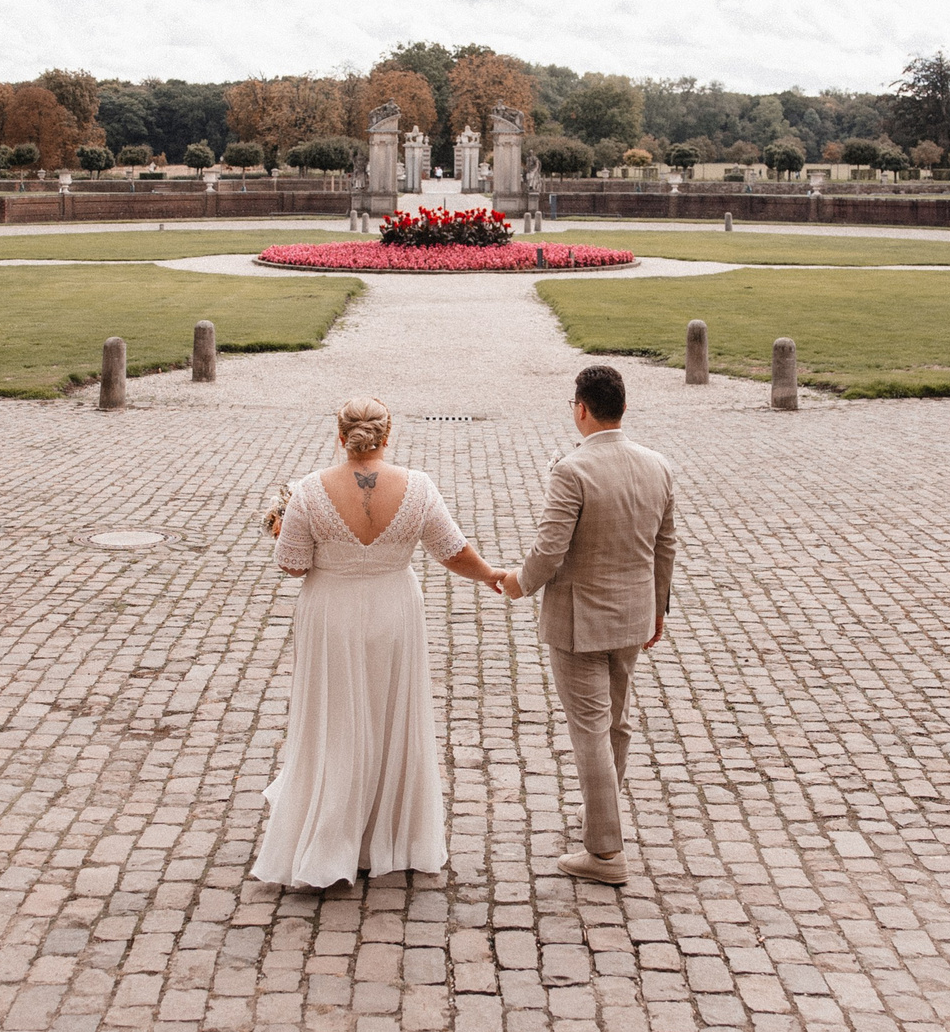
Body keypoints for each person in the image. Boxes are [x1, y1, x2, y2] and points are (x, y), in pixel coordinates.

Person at [255, 397, 505, 888]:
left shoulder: (308, 490)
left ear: (340, 436)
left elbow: (293, 565)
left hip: (331, 614)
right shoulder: (418, 487)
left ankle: (329, 830)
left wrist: (284, 527)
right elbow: (451, 551)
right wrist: (492, 575)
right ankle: (388, 834)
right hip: (394, 610)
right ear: (388, 437)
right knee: (391, 713)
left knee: (336, 716)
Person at [496, 365, 676, 885]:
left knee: (591, 731)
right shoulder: (658, 466)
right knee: (615, 723)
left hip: (579, 620)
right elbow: (666, 546)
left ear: (580, 408)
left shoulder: (573, 471)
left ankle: (604, 853)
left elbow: (550, 549)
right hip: (634, 616)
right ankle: (603, 814)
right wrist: (658, 610)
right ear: (622, 407)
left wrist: (516, 583)